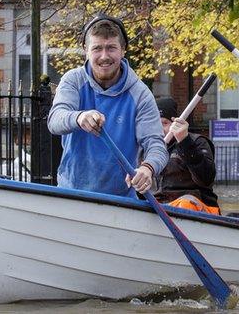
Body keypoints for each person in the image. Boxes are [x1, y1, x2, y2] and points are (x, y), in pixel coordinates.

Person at [47, 15, 168, 197]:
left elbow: (156, 144)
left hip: (120, 200)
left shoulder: (140, 94)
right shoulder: (73, 80)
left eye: (111, 48)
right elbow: (55, 120)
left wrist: (147, 168)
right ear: (86, 50)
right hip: (71, 194)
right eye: (97, 48)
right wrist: (79, 118)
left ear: (123, 50)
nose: (104, 56)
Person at [153, 96, 220, 214]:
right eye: (155, 123)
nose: (160, 129)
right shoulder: (150, 149)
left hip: (196, 207)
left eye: (164, 123)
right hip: (163, 207)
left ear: (175, 123)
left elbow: (206, 178)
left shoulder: (199, 142)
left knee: (186, 203)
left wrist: (184, 141)